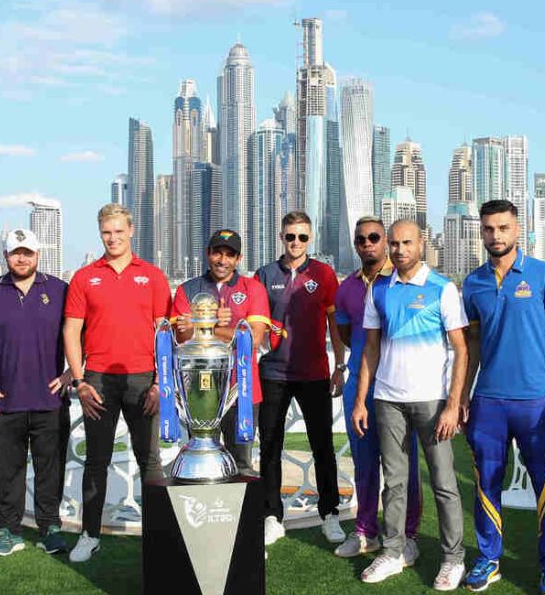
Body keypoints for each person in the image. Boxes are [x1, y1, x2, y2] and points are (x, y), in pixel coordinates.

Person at [460, 199, 545, 595]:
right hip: (488, 401)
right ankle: (488, 559)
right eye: (489, 229)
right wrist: (462, 396)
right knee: (486, 483)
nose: (496, 236)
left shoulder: (544, 275)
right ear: (481, 232)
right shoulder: (472, 283)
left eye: (503, 228)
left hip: (537, 402)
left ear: (518, 229)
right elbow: (471, 346)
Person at [351, 220, 469, 590]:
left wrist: (452, 405)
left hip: (432, 401)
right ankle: (395, 550)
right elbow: (370, 349)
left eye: (407, 243)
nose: (400, 250)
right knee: (396, 482)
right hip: (388, 400)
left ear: (422, 244)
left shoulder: (442, 289)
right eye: (395, 243)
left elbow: (461, 350)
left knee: (443, 482)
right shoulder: (379, 290)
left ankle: (453, 559)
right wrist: (360, 402)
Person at [63, 204, 171, 563]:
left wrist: (161, 383)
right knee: (96, 461)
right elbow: (71, 330)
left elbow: (164, 335)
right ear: (100, 233)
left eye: (119, 231)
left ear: (131, 230)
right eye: (107, 232)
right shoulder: (83, 277)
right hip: (97, 381)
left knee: (150, 461)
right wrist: (79, 380)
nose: (113, 238)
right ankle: (89, 534)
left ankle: (159, 535)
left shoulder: (153, 277)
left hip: (143, 379)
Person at [0, 228, 72, 557]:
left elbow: (83, 334)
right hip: (5, 401)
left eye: (27, 252)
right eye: (15, 252)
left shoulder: (59, 290)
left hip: (50, 400)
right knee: (8, 469)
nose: (21, 258)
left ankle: (50, 528)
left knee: (49, 469)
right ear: (6, 256)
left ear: (38, 254)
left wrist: (71, 373)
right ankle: (8, 530)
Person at [333, 216, 423, 560]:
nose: (367, 243)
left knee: (404, 464)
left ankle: (407, 533)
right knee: (364, 463)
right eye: (361, 239)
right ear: (355, 245)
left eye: (374, 237)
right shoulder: (346, 289)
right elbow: (345, 335)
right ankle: (364, 531)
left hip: (399, 385)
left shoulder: (401, 281)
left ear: (386, 241)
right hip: (360, 384)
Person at [253, 211, 345, 547]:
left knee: (322, 447)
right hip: (273, 373)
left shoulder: (323, 274)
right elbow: (256, 325)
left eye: (302, 237)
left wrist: (340, 365)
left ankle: (330, 513)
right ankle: (271, 517)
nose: (296, 243)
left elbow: (335, 325)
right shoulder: (264, 274)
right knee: (269, 448)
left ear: (311, 239)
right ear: (281, 237)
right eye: (290, 236)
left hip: (314, 373)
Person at [171, 229, 269, 473]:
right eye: (217, 253)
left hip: (242, 390)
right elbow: (180, 337)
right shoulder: (187, 289)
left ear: (238, 259)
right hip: (200, 392)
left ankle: (246, 513)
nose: (222, 260)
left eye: (229, 255)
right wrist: (224, 328)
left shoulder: (252, 288)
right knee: (202, 461)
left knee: (243, 466)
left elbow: (253, 339)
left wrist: (203, 324)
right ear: (207, 254)